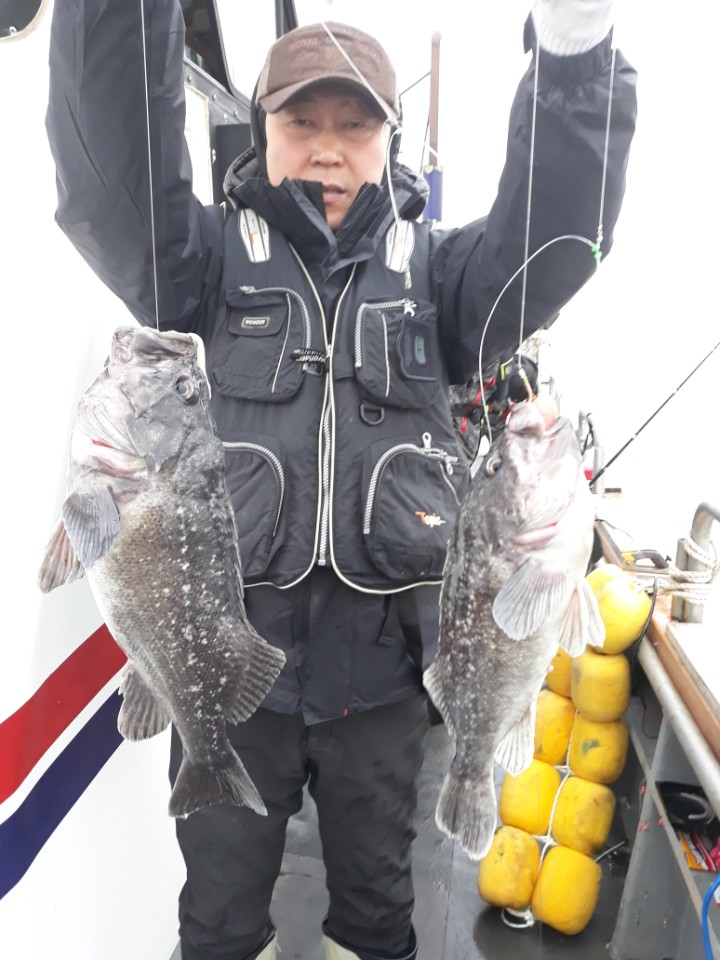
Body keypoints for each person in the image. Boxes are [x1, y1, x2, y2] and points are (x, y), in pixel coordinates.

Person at [46, 2, 637, 958]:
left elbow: (559, 237)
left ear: (388, 139)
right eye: (302, 120)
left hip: (385, 685)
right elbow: (108, 173)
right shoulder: (195, 268)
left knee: (378, 912)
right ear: (261, 129)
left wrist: (574, 52)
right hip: (229, 674)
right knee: (219, 919)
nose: (328, 148)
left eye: (355, 124)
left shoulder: (446, 281)